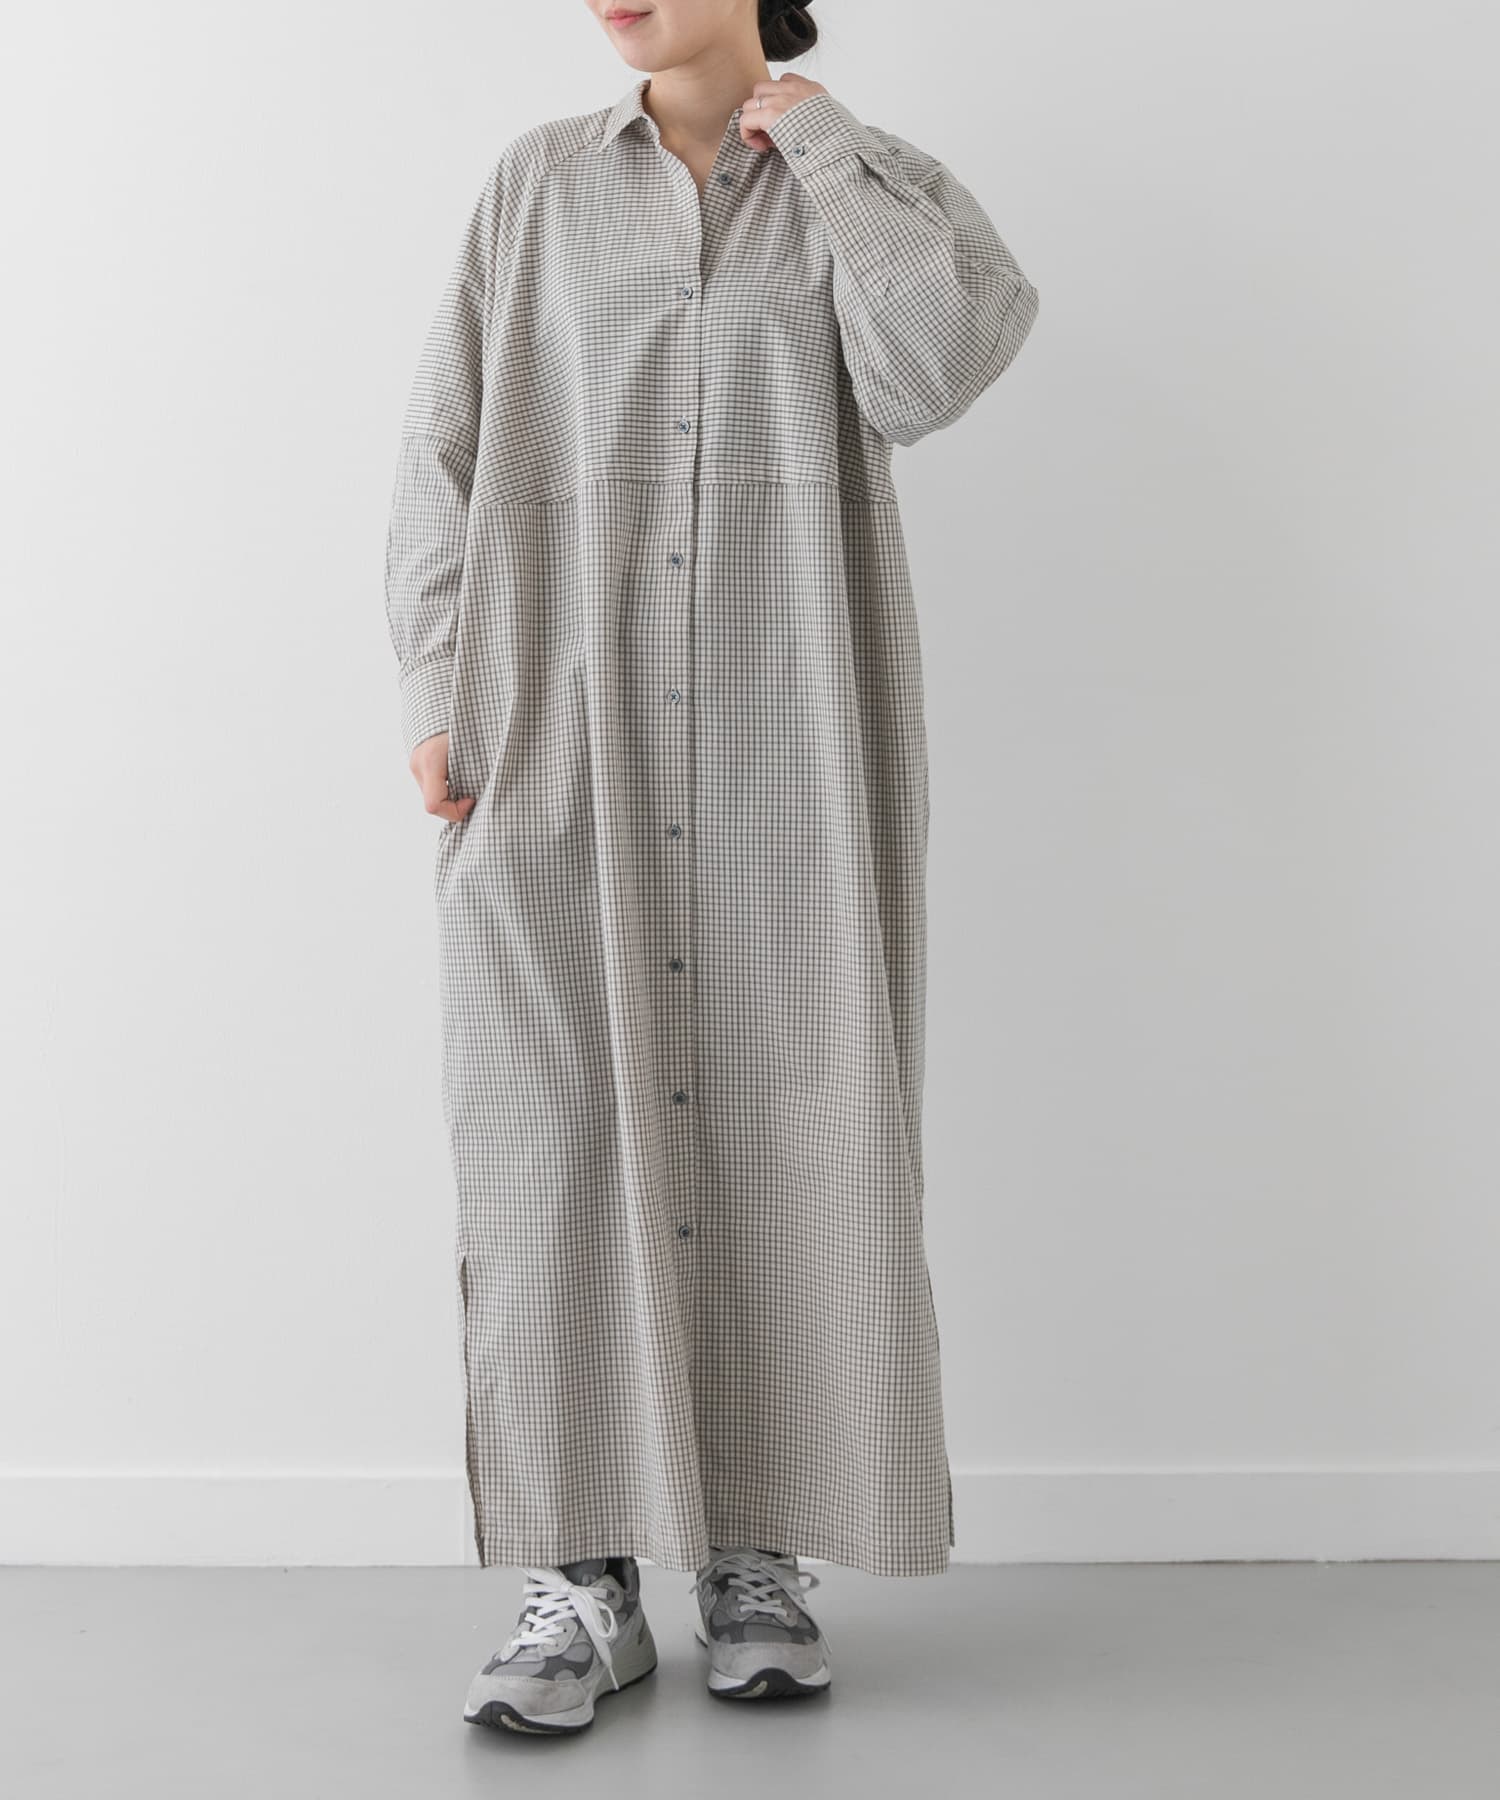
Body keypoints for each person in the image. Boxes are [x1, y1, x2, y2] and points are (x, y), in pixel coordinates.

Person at [383, 0, 1039, 1737]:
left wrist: (814, 142)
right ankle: (580, 1576)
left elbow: (930, 373)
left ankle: (756, 1550)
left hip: (783, 748)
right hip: (555, 743)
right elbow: (443, 450)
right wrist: (438, 687)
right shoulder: (535, 188)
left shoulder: (873, 185)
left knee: (785, 1126)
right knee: (550, 1146)